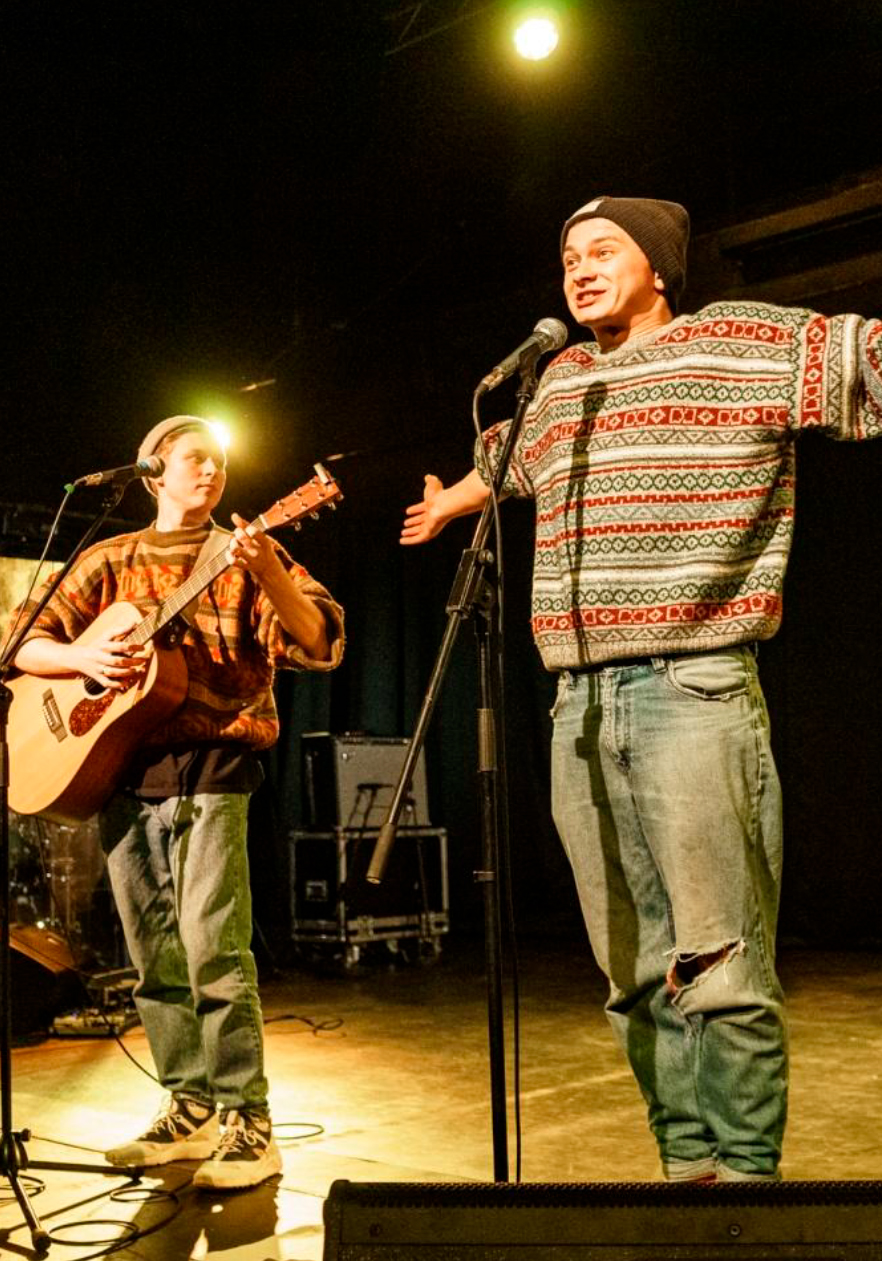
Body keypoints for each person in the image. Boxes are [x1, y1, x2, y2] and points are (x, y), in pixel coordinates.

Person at [401, 196, 882, 1183]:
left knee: (720, 963)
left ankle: (743, 1187)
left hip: (692, 687)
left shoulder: (736, 341)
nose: (578, 268)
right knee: (629, 971)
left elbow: (864, 359)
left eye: (602, 250)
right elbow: (508, 461)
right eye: (567, 256)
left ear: (659, 266)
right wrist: (453, 500)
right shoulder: (558, 383)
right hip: (577, 706)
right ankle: (685, 1168)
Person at [11, 415, 345, 1190]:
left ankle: (248, 1120)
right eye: (196, 458)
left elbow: (317, 639)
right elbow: (22, 642)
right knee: (154, 959)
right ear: (152, 471)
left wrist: (269, 573)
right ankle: (188, 1106)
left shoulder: (245, 552)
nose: (212, 470)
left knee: (213, 948)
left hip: (214, 764)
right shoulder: (109, 558)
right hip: (120, 770)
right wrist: (84, 655)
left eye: (220, 461)